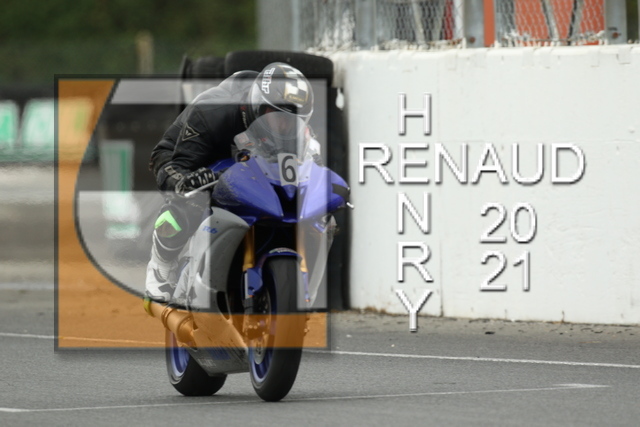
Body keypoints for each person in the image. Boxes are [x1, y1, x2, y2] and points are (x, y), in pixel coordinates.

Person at [145, 62, 316, 303]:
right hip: (190, 154)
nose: (283, 126)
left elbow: (312, 166)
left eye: (291, 120)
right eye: (275, 116)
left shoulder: (298, 132)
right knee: (188, 195)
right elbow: (179, 165)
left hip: (251, 157)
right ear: (258, 105)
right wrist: (191, 180)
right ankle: (162, 263)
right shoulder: (213, 111)